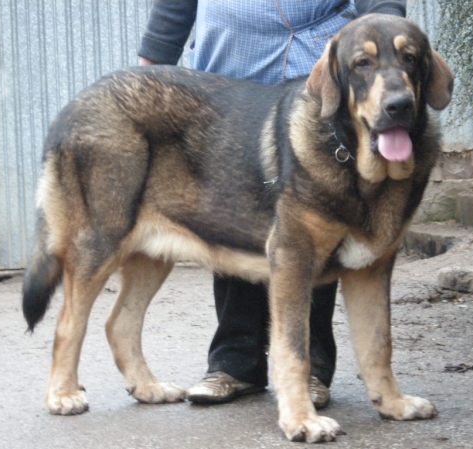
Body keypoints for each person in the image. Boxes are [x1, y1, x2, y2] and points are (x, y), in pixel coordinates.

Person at [138, 0, 406, 408]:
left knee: (318, 226)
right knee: (230, 214)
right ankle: (234, 362)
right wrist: (154, 63)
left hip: (318, 71)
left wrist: (382, 35)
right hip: (230, 66)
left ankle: (311, 369)